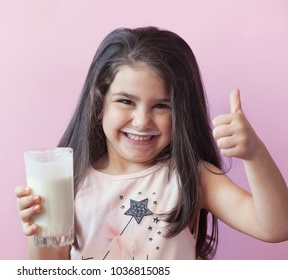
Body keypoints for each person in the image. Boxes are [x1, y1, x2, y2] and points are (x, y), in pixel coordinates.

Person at [14, 26, 288, 260]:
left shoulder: (192, 177)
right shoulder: (71, 181)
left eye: (160, 106)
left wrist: (254, 154)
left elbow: (276, 227)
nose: (142, 121)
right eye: (126, 101)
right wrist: (39, 233)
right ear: (99, 104)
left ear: (181, 111)